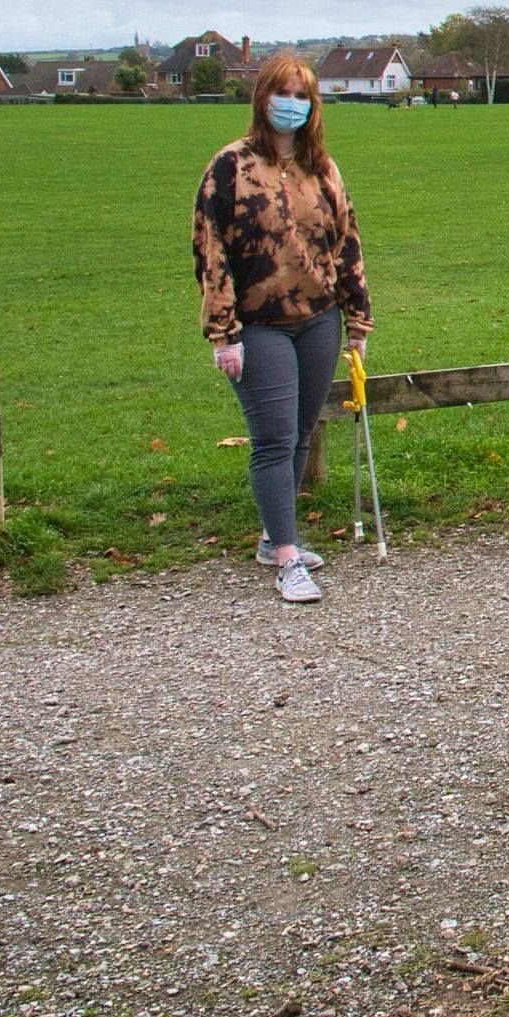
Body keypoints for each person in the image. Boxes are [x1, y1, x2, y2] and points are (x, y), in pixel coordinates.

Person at [192, 53, 372, 604]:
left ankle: (277, 537)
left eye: (302, 95)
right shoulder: (230, 167)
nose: (290, 104)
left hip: (317, 321)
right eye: (282, 93)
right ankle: (289, 561)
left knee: (299, 432)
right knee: (272, 438)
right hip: (258, 325)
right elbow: (211, 251)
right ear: (262, 97)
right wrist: (222, 334)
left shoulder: (323, 167)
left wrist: (356, 317)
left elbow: (346, 242)